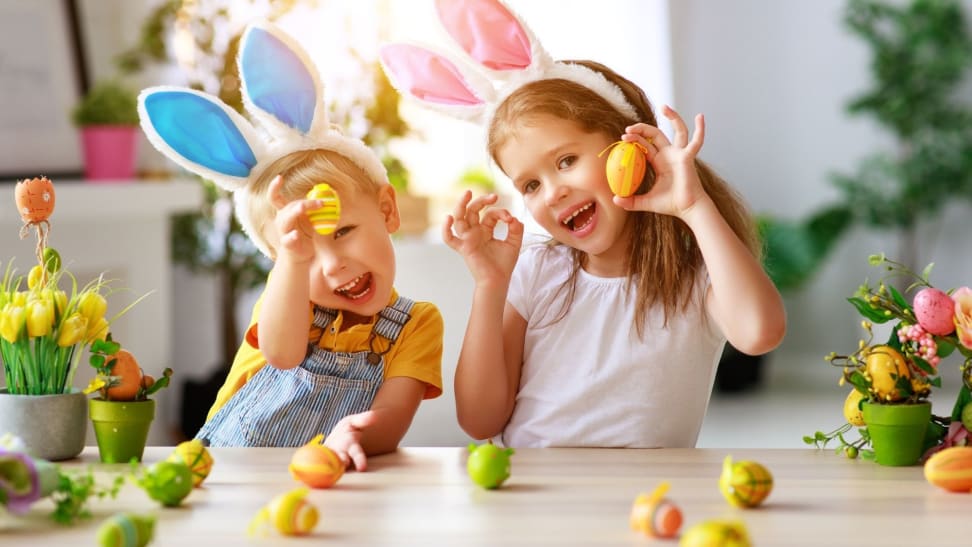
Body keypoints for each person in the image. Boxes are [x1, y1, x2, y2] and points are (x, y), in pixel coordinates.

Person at [380, 0, 785, 448]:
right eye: (530, 185)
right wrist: (489, 286)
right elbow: (479, 420)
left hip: (646, 500)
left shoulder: (694, 272)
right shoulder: (535, 270)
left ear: (627, 145)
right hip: (534, 491)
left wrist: (695, 207)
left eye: (566, 161)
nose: (553, 192)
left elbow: (759, 334)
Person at [138, 21, 442, 469]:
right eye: (300, 251)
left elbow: (393, 419)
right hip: (224, 472)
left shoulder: (417, 324)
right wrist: (292, 268)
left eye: (341, 232)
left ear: (387, 210)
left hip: (329, 478)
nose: (333, 265)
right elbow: (283, 354)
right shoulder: (286, 302)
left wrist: (356, 434)